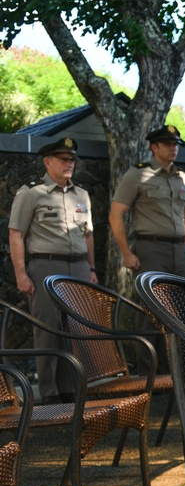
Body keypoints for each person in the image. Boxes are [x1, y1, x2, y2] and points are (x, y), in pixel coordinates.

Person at [8, 138, 98, 404]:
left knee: (76, 329)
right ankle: (49, 392)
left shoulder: (81, 194)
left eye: (72, 160)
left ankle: (71, 387)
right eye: (63, 159)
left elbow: (89, 235)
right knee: (47, 330)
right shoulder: (31, 193)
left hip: (79, 266)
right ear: (47, 162)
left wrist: (91, 268)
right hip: (46, 265)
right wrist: (21, 275)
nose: (69, 164)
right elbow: (16, 235)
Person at [110, 124, 185, 279]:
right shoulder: (138, 174)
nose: (173, 148)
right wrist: (126, 253)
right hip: (151, 249)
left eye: (175, 144)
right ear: (154, 147)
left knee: (180, 301)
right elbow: (116, 214)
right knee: (151, 301)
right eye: (167, 144)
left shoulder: (183, 178)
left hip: (180, 250)